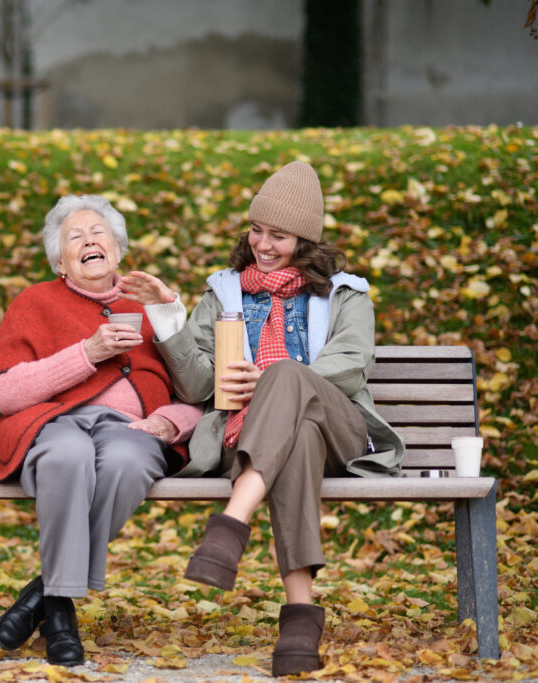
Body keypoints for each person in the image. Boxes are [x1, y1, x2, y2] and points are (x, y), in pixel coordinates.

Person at [119, 161, 404, 676]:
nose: (263, 244)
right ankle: (299, 621)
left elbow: (352, 363)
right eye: (256, 230)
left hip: (344, 430)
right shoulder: (225, 292)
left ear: (307, 241)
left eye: (279, 235)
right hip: (257, 438)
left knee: (289, 377)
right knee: (298, 442)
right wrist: (168, 315)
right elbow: (198, 386)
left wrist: (274, 379)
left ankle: (232, 522)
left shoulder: (345, 294)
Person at [0, 194, 203, 666]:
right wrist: (87, 353)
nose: (89, 240)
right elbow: (7, 395)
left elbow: (200, 394)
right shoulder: (35, 302)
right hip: (52, 424)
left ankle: (45, 596)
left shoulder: (153, 305)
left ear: (118, 250)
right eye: (75, 236)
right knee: (68, 456)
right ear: (60, 260)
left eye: (99, 233)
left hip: (131, 430)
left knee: (127, 461)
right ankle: (58, 610)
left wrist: (171, 421)